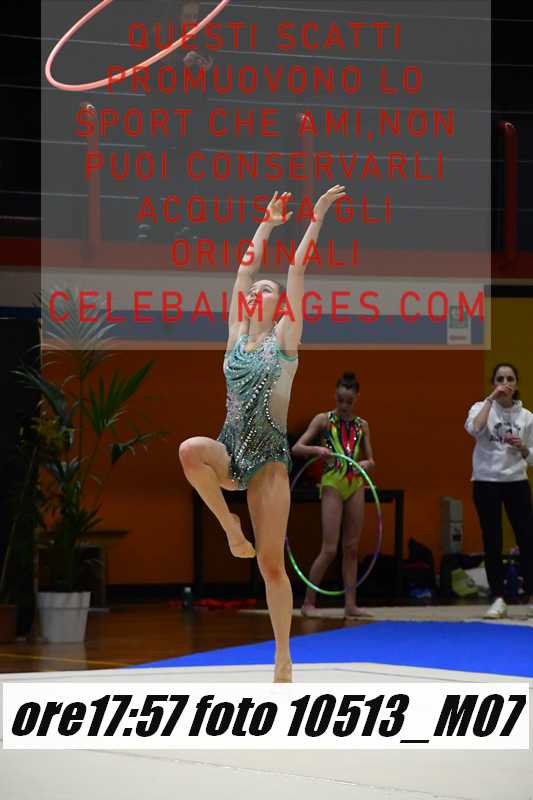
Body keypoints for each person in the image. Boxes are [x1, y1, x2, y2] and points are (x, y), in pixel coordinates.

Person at [179, 185, 347, 682]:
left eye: (267, 290)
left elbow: (296, 269)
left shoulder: (286, 341)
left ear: (280, 306)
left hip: (269, 461)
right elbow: (242, 273)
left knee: (271, 565)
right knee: (189, 451)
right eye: (256, 290)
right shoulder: (234, 338)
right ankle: (231, 527)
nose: (257, 292)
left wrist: (315, 218)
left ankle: (283, 657)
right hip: (231, 450)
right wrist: (266, 225)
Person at [291, 371, 375, 619]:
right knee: (329, 548)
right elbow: (297, 447)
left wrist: (367, 464)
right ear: (335, 396)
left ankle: (351, 604)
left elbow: (371, 459)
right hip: (332, 484)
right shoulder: (323, 420)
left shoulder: (362, 425)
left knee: (351, 548)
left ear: (357, 398)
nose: (344, 406)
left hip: (355, 483)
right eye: (340, 400)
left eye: (349, 401)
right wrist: (317, 450)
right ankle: (308, 602)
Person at [465, 362, 533, 619]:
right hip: (486, 482)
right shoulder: (480, 407)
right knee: (492, 541)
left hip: (517, 481)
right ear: (493, 383)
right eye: (500, 379)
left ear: (517, 384)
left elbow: (532, 457)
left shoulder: (526, 417)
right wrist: (491, 399)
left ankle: (532, 596)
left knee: (527, 538)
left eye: (510, 379)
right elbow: (474, 429)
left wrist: (523, 448)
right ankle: (498, 598)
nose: (505, 383)